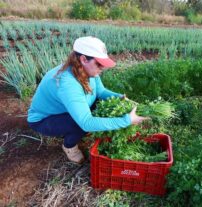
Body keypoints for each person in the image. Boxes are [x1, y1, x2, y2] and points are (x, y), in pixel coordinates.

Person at [27, 36, 148, 164]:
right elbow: (86, 122)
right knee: (81, 125)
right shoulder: (68, 83)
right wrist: (127, 120)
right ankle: (69, 146)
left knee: (99, 107)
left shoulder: (87, 70)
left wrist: (121, 98)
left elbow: (100, 92)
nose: (102, 68)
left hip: (63, 111)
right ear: (84, 59)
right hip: (44, 120)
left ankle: (69, 130)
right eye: (99, 63)